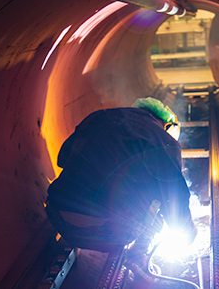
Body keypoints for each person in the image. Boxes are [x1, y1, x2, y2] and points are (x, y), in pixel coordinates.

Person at [45, 97, 196, 255]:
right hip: (108, 233)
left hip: (58, 216)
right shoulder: (164, 141)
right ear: (167, 125)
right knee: (156, 198)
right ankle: (139, 255)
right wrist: (188, 231)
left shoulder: (98, 117)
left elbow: (63, 158)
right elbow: (173, 197)